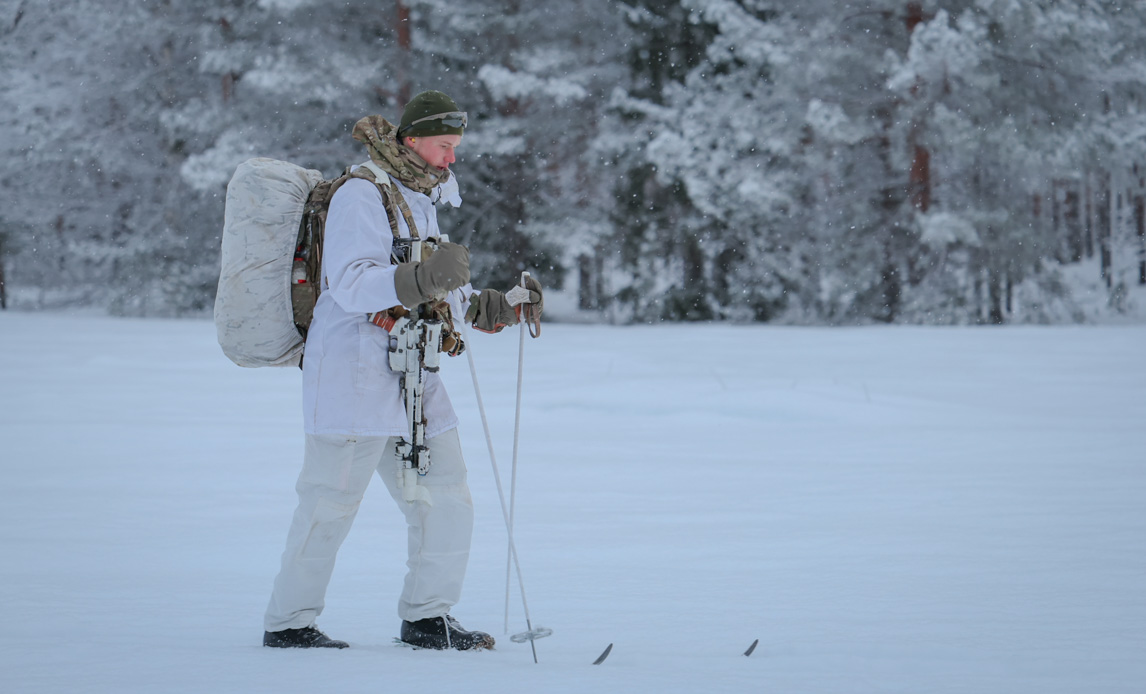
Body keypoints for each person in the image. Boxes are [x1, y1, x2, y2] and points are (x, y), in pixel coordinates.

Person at [262, 90, 543, 651]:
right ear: (411, 139)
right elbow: (350, 283)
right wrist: (425, 280)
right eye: (444, 146)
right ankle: (289, 624)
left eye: (456, 148)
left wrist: (496, 307)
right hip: (353, 374)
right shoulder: (360, 193)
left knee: (447, 496)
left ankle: (427, 618)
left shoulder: (420, 196)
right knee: (329, 503)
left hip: (415, 371)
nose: (451, 159)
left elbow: (437, 287)